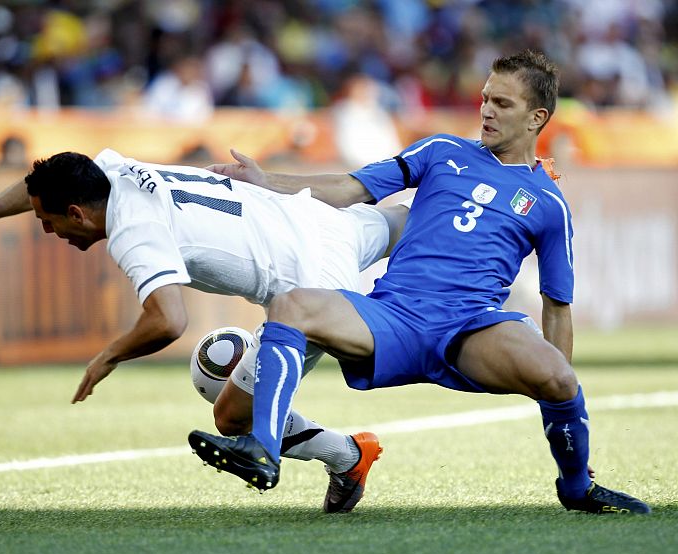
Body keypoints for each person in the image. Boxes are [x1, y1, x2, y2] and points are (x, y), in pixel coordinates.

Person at [188, 50, 651, 515]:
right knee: (291, 305)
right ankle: (264, 449)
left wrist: (558, 382)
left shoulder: (550, 203)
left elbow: (557, 306)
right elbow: (351, 187)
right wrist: (265, 180)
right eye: (485, 98)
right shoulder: (441, 151)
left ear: (537, 118)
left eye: (503, 104)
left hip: (470, 328)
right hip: (392, 315)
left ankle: (576, 487)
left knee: (557, 376)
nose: (487, 110)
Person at [0, 149, 409, 513]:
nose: (49, 232)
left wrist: (107, 356)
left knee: (231, 416)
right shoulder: (109, 170)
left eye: (48, 222)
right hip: (317, 218)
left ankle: (348, 455)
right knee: (411, 219)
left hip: (313, 284)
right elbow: (41, 181)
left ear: (78, 214)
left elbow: (169, 320)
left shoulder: (133, 230)